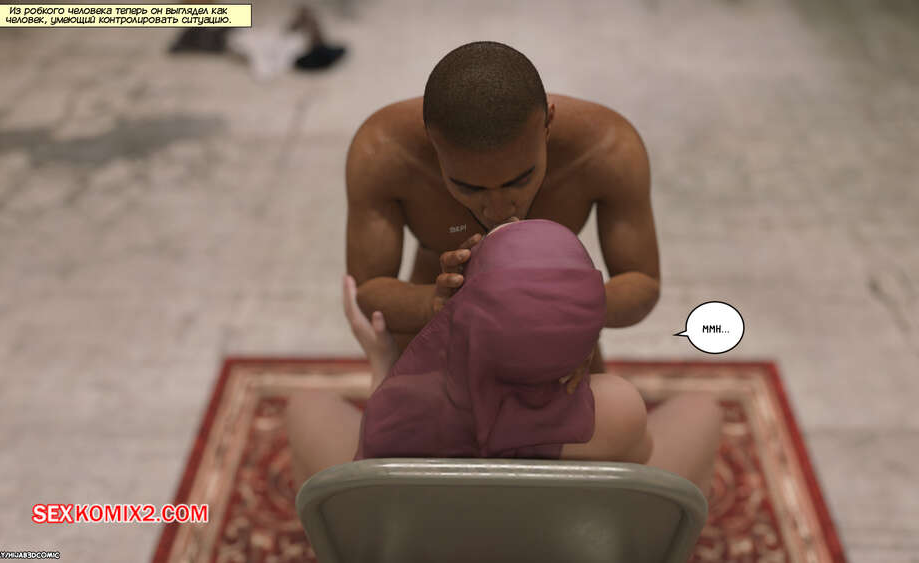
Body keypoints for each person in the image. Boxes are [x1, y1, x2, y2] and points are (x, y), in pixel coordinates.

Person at [287, 219, 723, 497]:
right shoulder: (616, 409)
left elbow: (372, 475)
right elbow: (640, 473)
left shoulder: (404, 406)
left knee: (306, 406)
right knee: (701, 410)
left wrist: (383, 363)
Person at [345, 41, 661, 375]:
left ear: (548, 124)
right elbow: (366, 290)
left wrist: (567, 304)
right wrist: (436, 303)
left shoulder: (607, 149)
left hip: (557, 327)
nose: (497, 211)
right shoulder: (384, 152)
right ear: (432, 142)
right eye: (469, 187)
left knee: (610, 406)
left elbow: (644, 283)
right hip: (438, 321)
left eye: (520, 180)